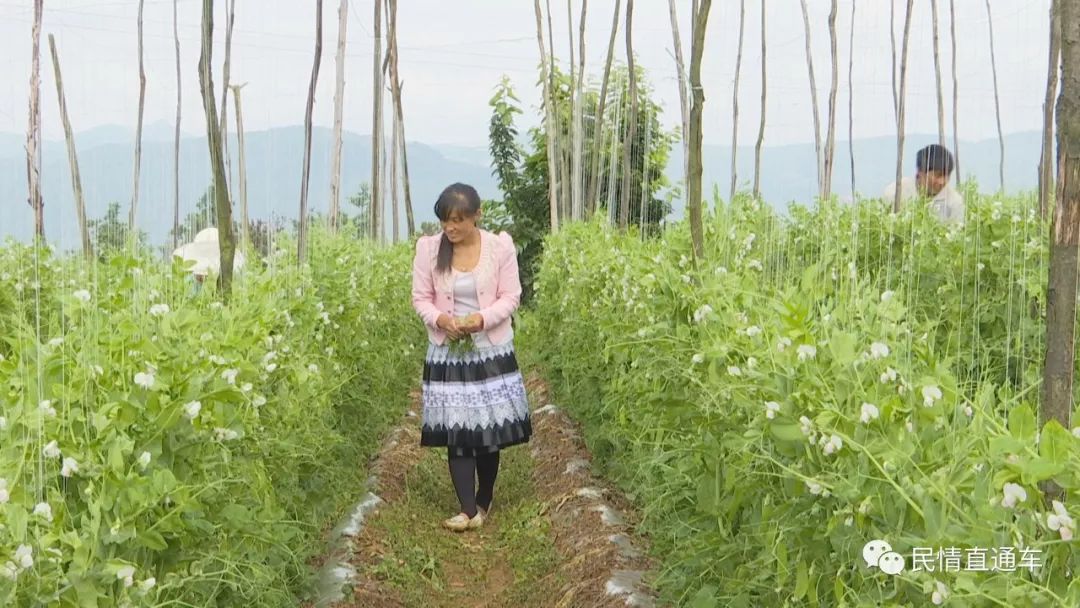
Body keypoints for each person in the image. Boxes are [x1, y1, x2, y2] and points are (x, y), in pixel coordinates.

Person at [411, 183, 532, 532]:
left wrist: (481, 318)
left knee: (487, 429)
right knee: (457, 428)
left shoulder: (499, 248)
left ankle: (484, 498)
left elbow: (511, 296)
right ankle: (466, 510)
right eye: (446, 221)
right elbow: (421, 298)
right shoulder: (429, 250)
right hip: (448, 351)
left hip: (489, 348)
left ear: (477, 216)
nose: (450, 228)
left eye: (458, 221)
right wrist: (441, 320)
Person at [883, 144, 964, 224]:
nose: (942, 181)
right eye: (938, 175)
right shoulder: (896, 193)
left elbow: (957, 232)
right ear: (920, 171)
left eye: (947, 175)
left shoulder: (954, 201)